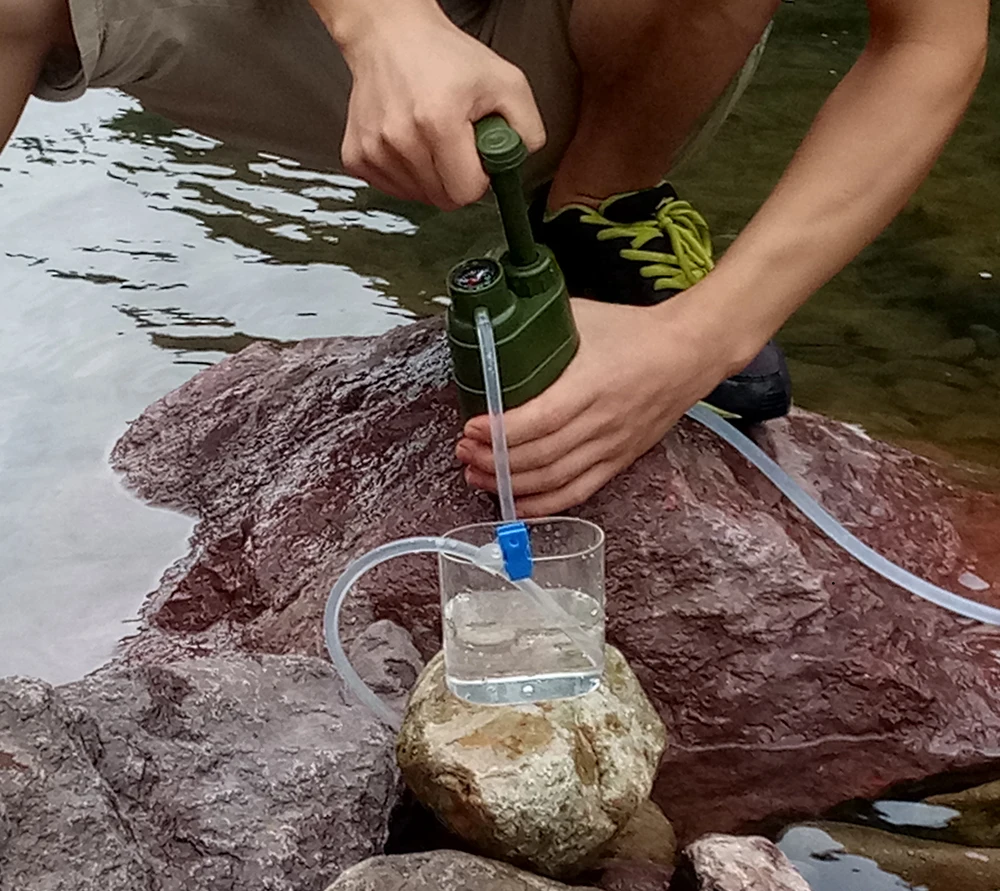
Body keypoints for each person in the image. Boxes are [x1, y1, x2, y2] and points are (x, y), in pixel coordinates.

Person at [1, 0, 989, 516]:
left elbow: (929, 41)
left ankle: (598, 218)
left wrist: (702, 337)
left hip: (591, 48)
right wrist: (385, 25)